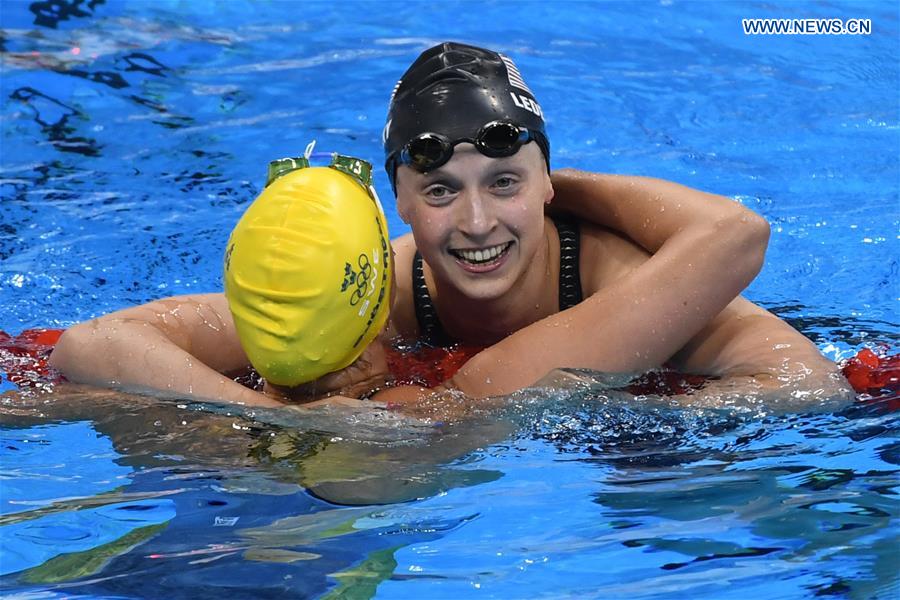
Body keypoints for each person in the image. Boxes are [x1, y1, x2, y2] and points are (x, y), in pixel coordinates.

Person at [48, 42, 852, 411]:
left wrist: (622, 411)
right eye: (439, 190)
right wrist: (265, 418)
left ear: (545, 181)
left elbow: (806, 381)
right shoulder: (376, 286)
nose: (475, 223)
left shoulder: (627, 278)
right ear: (397, 199)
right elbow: (94, 347)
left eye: (504, 182)